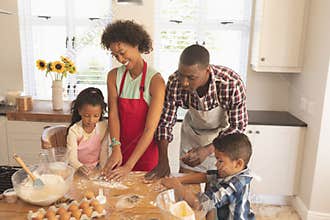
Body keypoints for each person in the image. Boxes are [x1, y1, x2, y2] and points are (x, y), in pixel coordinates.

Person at [146, 44, 248, 179]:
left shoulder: (231, 83)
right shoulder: (175, 82)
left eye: (191, 78)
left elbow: (238, 127)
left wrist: (208, 149)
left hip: (222, 139)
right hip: (192, 135)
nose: (184, 82)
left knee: (214, 186)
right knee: (186, 186)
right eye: (181, 75)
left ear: (207, 70)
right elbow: (165, 123)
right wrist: (163, 160)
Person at [101, 20, 165, 181]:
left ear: (136, 44)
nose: (120, 59)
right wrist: (115, 146)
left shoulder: (156, 81)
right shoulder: (114, 76)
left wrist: (129, 166)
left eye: (122, 52)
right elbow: (113, 114)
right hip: (120, 150)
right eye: (115, 55)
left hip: (146, 153)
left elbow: (150, 129)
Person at [161, 133, 255, 220]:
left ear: (238, 163)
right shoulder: (232, 171)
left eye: (220, 161)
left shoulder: (235, 185)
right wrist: (178, 179)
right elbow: (207, 176)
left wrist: (176, 186)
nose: (216, 164)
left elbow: (199, 203)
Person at [66, 87, 109, 176]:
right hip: (76, 169)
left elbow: (104, 150)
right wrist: (79, 167)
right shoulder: (74, 131)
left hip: (96, 169)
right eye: (86, 115)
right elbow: (71, 157)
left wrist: (103, 169)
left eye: (96, 116)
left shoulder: (103, 126)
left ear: (101, 113)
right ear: (80, 111)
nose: (91, 120)